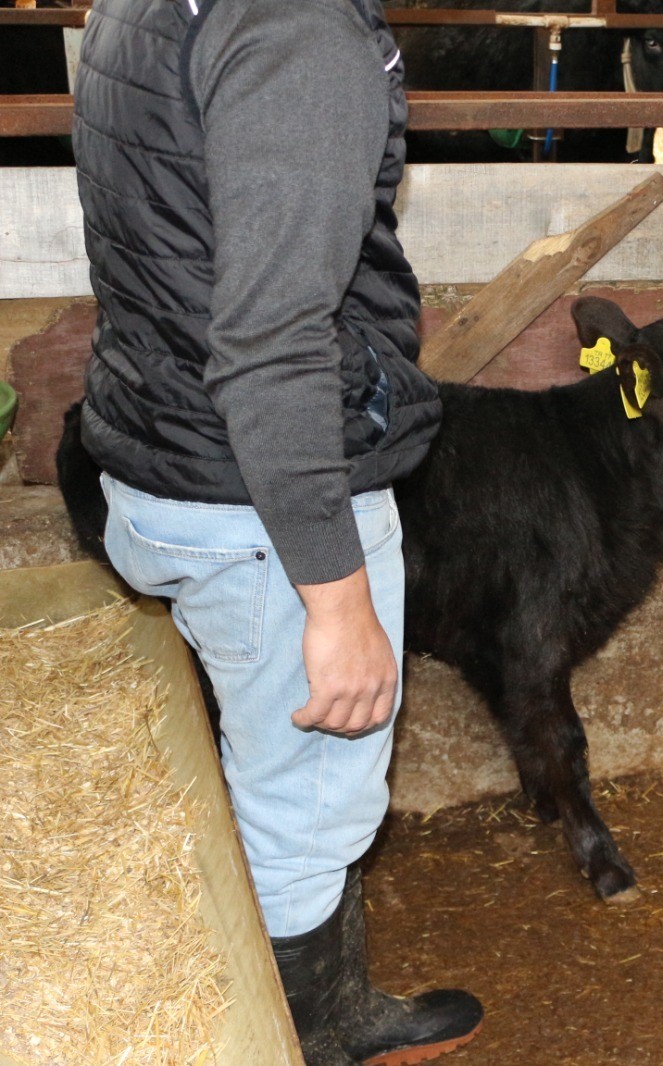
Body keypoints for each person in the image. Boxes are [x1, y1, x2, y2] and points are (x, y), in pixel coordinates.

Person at [70, 0, 481, 1062]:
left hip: (163, 448)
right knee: (306, 807)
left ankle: (332, 1004)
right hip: (261, 496)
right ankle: (308, 1036)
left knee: (268, 774)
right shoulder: (300, 34)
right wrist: (335, 596)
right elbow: (271, 339)